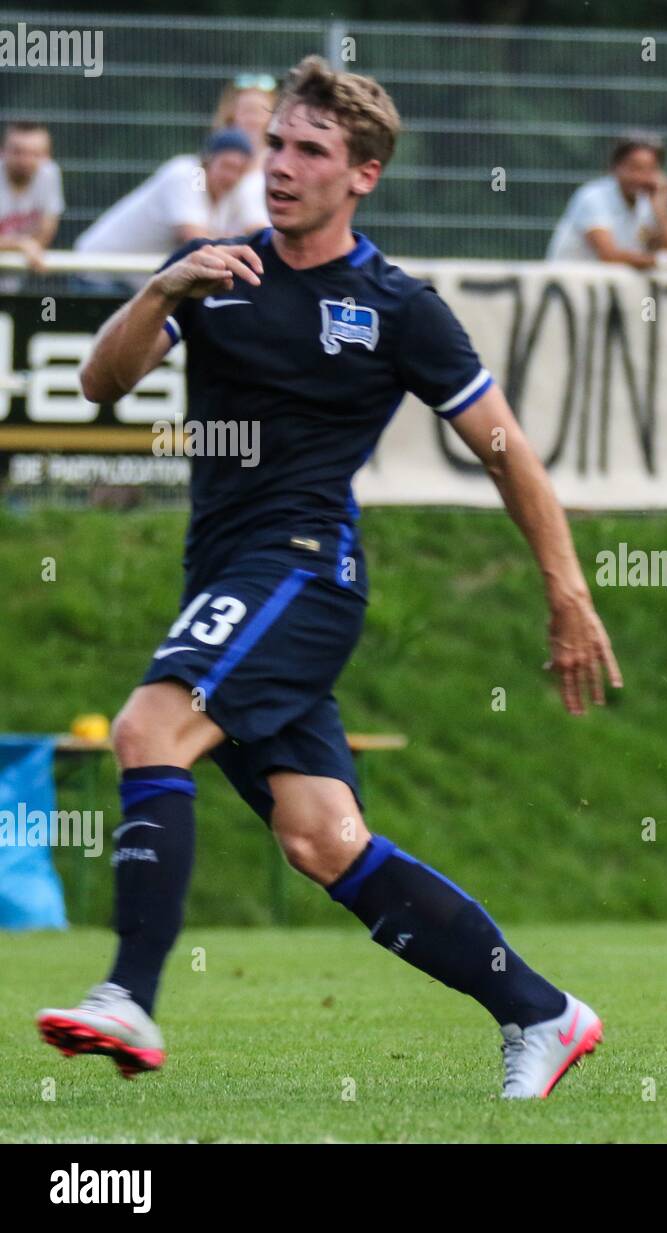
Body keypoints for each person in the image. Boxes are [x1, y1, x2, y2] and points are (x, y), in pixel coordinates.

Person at [36, 56, 621, 1101]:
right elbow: (99, 381)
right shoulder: (220, 273)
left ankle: (128, 995)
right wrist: (163, 286)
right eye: (278, 145)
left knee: (146, 729)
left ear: (364, 175)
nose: (283, 167)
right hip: (227, 578)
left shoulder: (396, 306)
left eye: (312, 151)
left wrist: (567, 589)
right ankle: (541, 1011)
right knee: (322, 840)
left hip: (304, 571)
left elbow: (507, 451)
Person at [74, 129, 254, 258]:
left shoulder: (232, 190)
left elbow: (253, 227)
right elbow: (197, 240)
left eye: (240, 169)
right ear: (207, 161)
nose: (232, 176)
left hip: (133, 279)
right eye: (227, 166)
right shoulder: (187, 172)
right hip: (100, 270)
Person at [547, 132, 667, 267]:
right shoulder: (593, 197)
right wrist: (666, 261)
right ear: (614, 167)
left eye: (650, 169)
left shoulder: (647, 204)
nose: (641, 177)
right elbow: (609, 255)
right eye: (634, 168)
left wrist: (661, 208)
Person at [210, 74, 276, 237]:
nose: (253, 118)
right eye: (247, 111)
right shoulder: (211, 158)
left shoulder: (279, 159)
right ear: (232, 115)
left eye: (260, 111)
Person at [0, 121, 64, 274]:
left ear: (47, 156)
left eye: (35, 153)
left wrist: (27, 247)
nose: (25, 160)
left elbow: (47, 228)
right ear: (3, 151)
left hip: (14, 272)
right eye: (18, 151)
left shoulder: (49, 174)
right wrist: (21, 244)